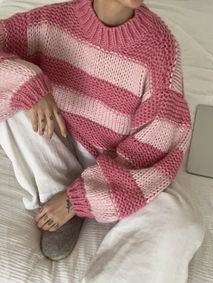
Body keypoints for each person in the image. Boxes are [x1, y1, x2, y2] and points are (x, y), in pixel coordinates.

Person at [0, 0, 193, 262]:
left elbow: (157, 143)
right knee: (12, 96)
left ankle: (73, 199)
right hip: (58, 135)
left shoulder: (161, 50)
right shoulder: (52, 21)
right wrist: (28, 83)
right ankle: (54, 189)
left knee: (182, 221)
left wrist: (75, 200)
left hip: (113, 162)